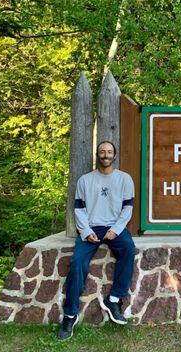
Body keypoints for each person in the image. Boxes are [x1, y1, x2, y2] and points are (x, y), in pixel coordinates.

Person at [58, 140, 136, 340]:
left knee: (128, 250)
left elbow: (128, 208)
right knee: (77, 263)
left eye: (109, 152)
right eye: (102, 152)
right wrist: (85, 231)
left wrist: (116, 230)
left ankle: (115, 299)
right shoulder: (85, 180)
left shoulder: (124, 179)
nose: (106, 155)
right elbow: (79, 209)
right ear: (97, 155)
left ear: (115, 155)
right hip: (91, 228)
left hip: (114, 228)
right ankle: (70, 314)